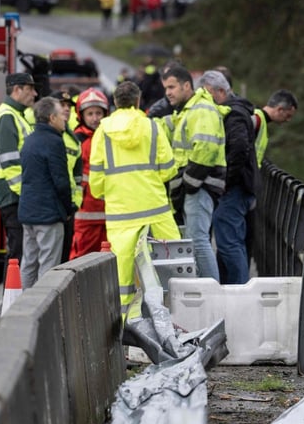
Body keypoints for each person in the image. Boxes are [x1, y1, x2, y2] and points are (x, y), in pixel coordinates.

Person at [88, 80, 181, 325]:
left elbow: (96, 174)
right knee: (170, 262)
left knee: (122, 273)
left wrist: (104, 192)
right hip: (155, 207)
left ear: (114, 103)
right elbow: (169, 168)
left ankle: (125, 327)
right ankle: (174, 320)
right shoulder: (151, 127)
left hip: (121, 211)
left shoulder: (103, 131)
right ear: (139, 101)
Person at [165, 69, 230, 281]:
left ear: (187, 86)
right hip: (197, 184)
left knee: (198, 241)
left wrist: (188, 184)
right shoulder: (189, 110)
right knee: (195, 240)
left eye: (172, 87)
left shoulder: (201, 109)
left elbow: (205, 149)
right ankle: (207, 294)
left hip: (200, 185)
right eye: (166, 88)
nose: (168, 92)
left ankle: (212, 297)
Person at [18, 97, 75, 288]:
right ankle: (42, 313)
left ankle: (22, 307)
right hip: (48, 214)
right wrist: (68, 209)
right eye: (61, 115)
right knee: (48, 266)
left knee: (29, 263)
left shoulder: (29, 140)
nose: (65, 119)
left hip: (28, 212)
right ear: (52, 118)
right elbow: (61, 182)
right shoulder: (54, 142)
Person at [211, 71, 256, 284]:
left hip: (235, 187)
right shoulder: (238, 110)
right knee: (230, 240)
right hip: (241, 186)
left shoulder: (234, 113)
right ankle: (232, 286)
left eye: (208, 94)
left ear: (221, 91)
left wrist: (225, 181)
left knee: (230, 242)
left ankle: (239, 291)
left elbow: (239, 149)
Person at [0, 72, 37, 264]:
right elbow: (9, 162)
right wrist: (24, 192)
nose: (34, 94)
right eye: (30, 89)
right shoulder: (7, 117)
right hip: (13, 195)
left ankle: (15, 293)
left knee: (21, 251)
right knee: (18, 252)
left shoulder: (16, 115)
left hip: (16, 194)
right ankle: (11, 295)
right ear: (17, 90)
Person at [70, 87, 110, 259]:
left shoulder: (112, 135)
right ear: (82, 116)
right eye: (90, 114)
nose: (95, 118)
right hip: (85, 212)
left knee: (110, 259)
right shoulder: (77, 140)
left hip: (111, 211)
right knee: (82, 258)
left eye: (98, 113)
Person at [50, 89, 84, 264]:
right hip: (50, 207)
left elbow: (77, 177)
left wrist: (75, 203)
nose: (66, 109)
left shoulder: (72, 139)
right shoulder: (45, 136)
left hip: (68, 207)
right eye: (61, 105)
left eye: (68, 106)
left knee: (63, 256)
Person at [253, 89, 298, 167]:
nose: (288, 120)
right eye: (288, 116)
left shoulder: (260, 120)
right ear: (280, 109)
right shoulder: (257, 119)